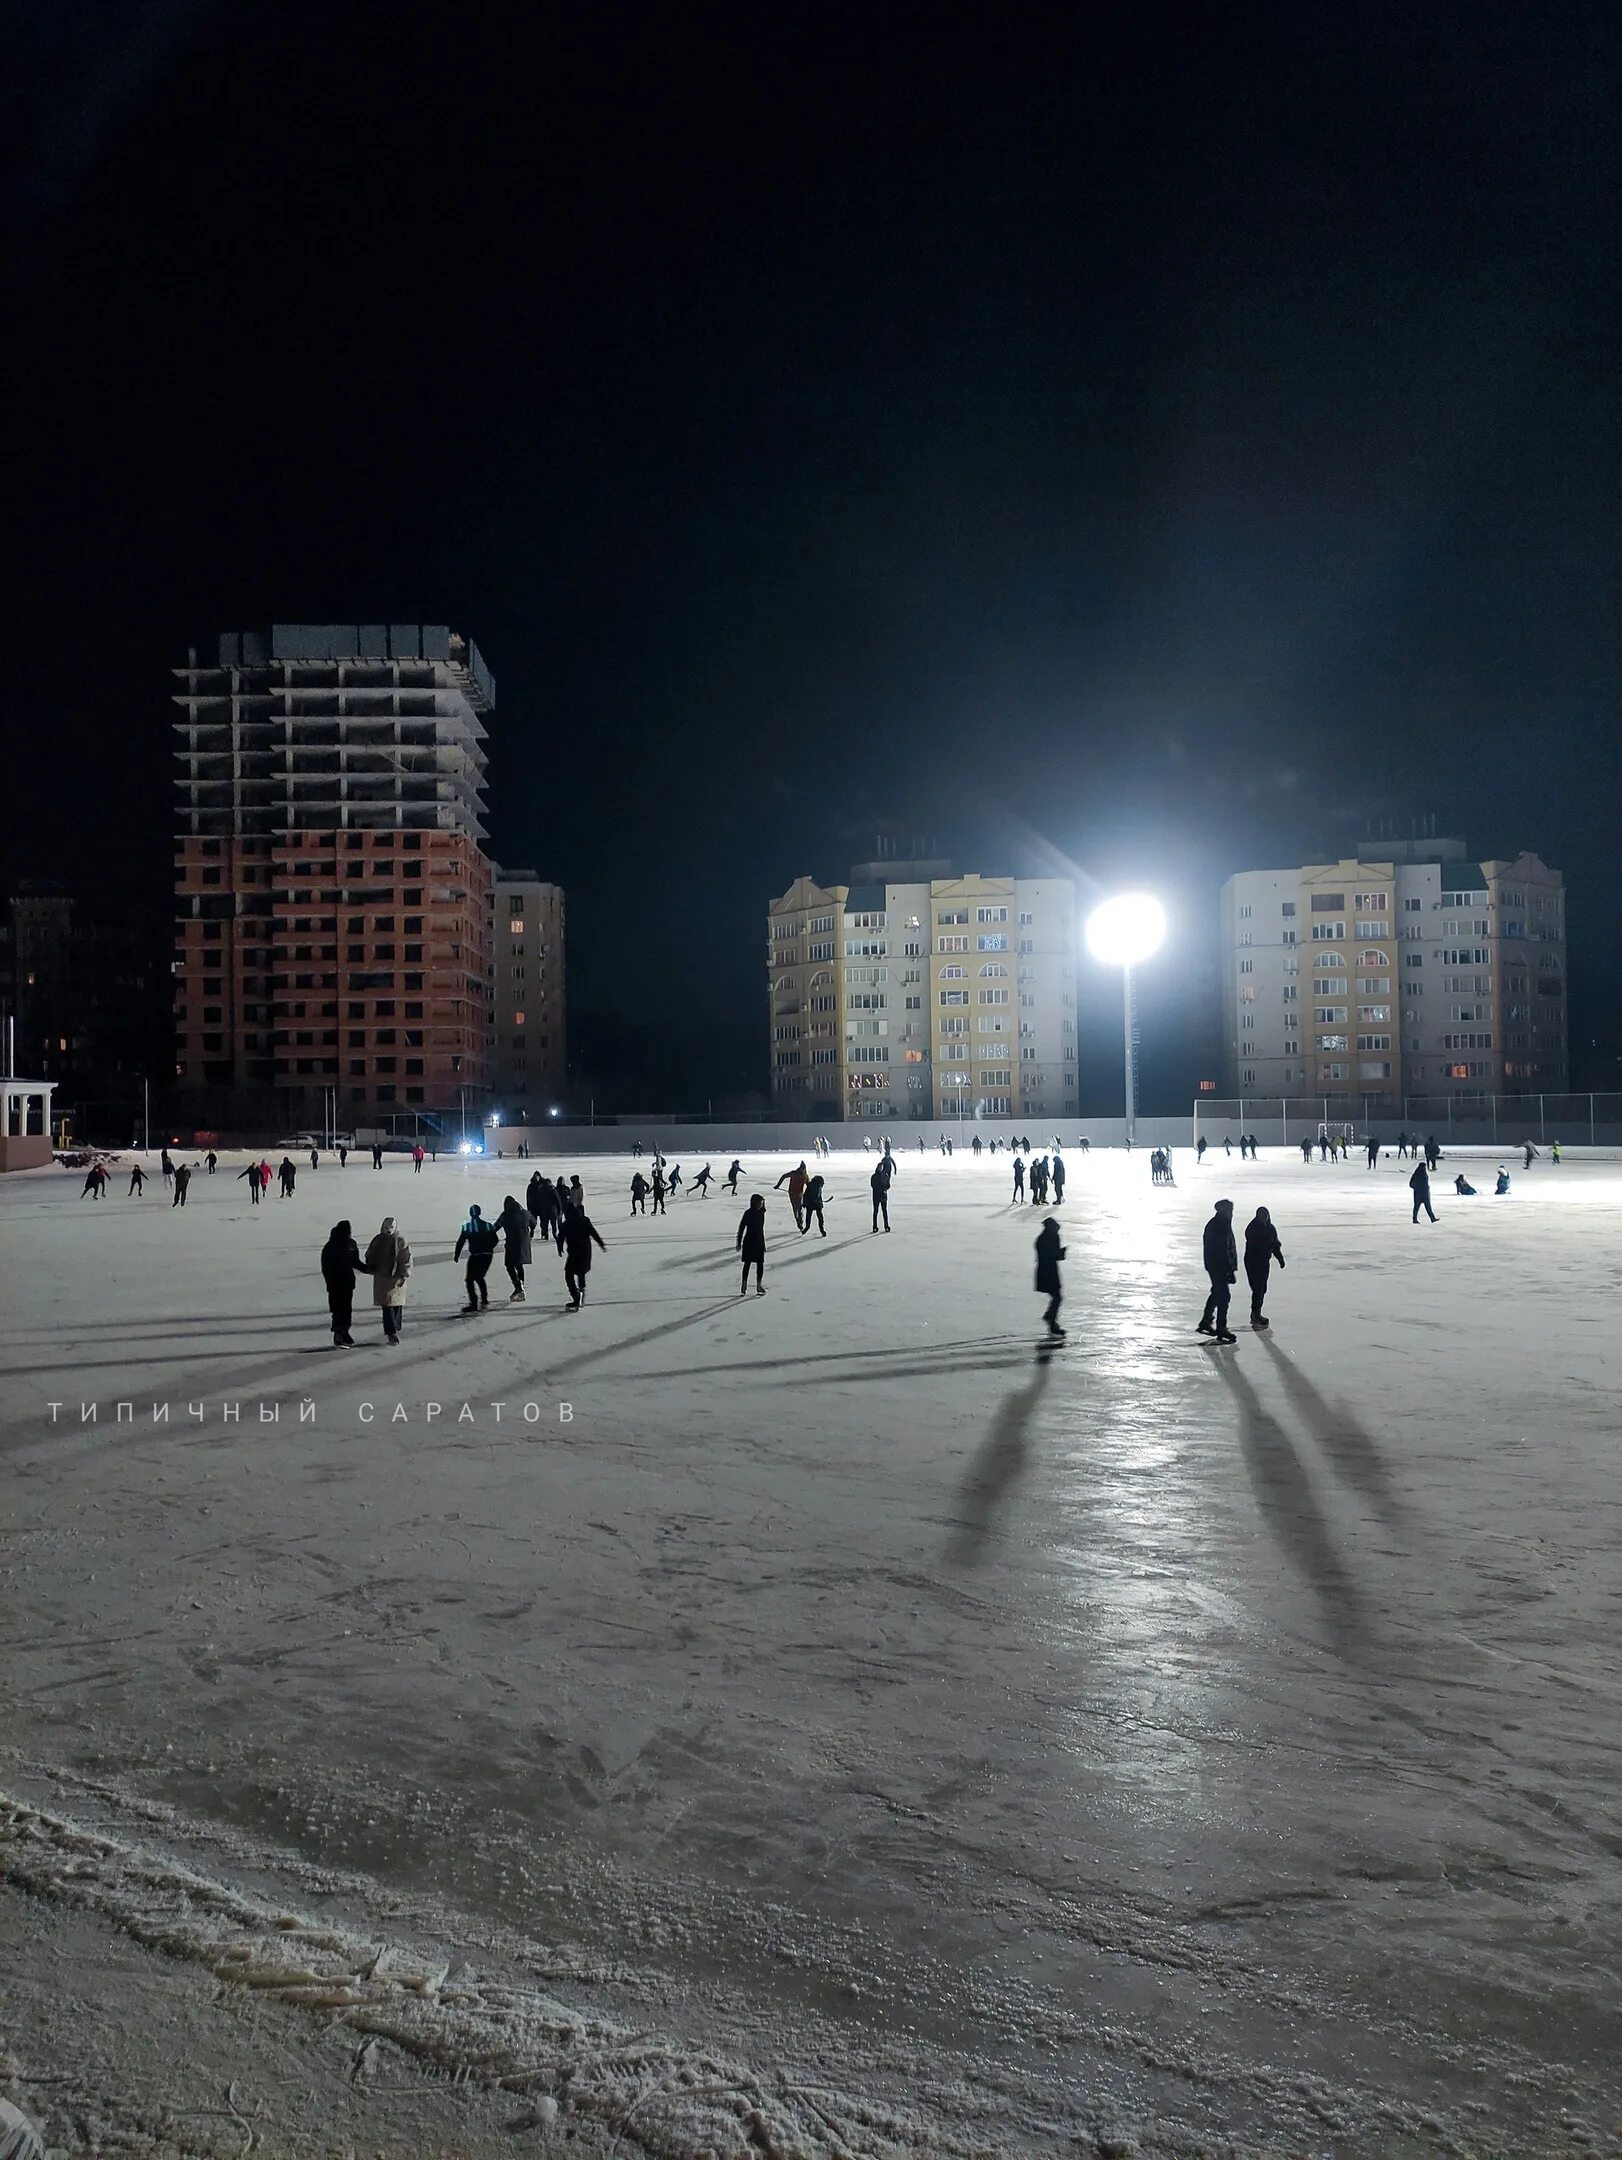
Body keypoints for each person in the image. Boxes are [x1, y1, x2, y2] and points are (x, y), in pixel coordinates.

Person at [364, 1216, 412, 1341]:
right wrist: (370, 1266)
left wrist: (405, 1272)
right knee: (387, 1305)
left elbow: (406, 1257)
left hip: (396, 1278)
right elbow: (370, 1254)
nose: (388, 1230)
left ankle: (395, 1326)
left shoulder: (400, 1240)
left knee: (396, 1304)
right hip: (382, 1277)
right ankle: (391, 1332)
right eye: (386, 1228)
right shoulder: (378, 1240)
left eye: (391, 1227)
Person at [1197, 1198, 1238, 1342]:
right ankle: (1221, 1328)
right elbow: (1222, 1250)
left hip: (1217, 1265)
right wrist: (1229, 1269)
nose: (1232, 1213)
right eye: (1230, 1210)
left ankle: (1206, 1321)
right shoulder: (1219, 1225)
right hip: (1218, 1266)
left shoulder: (1222, 1223)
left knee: (1217, 1293)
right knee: (1224, 1296)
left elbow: (1229, 1247)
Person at [321, 1219, 364, 1345]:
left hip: (342, 1283)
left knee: (341, 1309)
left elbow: (354, 1262)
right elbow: (355, 1262)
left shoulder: (331, 1245)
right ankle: (340, 1333)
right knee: (342, 1309)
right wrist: (367, 1269)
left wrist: (368, 1269)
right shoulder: (343, 1245)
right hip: (340, 1282)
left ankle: (343, 1332)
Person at [1242, 1205, 1284, 1328]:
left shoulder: (1271, 1228)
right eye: (1261, 1216)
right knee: (1258, 1288)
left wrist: (1280, 1258)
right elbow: (1255, 1245)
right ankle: (1255, 1314)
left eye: (1265, 1216)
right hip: (1252, 1262)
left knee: (1262, 1288)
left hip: (1264, 1262)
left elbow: (1275, 1245)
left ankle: (1256, 1313)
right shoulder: (1252, 1228)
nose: (1263, 1219)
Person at [454, 1203, 499, 1310]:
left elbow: (460, 1242)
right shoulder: (487, 1225)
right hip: (487, 1255)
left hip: (475, 1255)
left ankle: (474, 1303)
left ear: (470, 1213)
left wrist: (457, 1254)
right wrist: (489, 1248)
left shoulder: (467, 1227)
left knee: (470, 1279)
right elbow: (495, 1239)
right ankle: (484, 1299)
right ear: (480, 1213)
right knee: (479, 1277)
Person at [562, 1204, 607, 1308]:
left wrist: (559, 1247)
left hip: (574, 1253)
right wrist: (601, 1244)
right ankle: (581, 1293)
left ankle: (576, 1296)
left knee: (569, 1274)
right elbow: (593, 1233)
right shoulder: (584, 1221)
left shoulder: (567, 1223)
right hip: (584, 1252)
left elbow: (561, 1236)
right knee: (580, 1272)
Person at [1034, 1215, 1066, 1338]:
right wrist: (1062, 1253)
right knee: (1057, 1297)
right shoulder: (1053, 1237)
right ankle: (1051, 1321)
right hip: (1050, 1271)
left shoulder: (1041, 1238)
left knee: (1056, 1296)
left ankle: (1049, 1316)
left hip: (1043, 1270)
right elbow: (1055, 1256)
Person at [498, 1194, 532, 1300]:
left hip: (512, 1242)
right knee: (519, 1265)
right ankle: (520, 1286)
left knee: (509, 1265)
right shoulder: (525, 1213)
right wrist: (529, 1233)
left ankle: (518, 1287)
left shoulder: (505, 1215)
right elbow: (534, 1222)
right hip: (524, 1243)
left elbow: (495, 1227)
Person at [736, 1191, 768, 1294]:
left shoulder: (761, 1213)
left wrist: (763, 1243)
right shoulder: (748, 1213)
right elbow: (741, 1228)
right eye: (759, 1203)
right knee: (747, 1264)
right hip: (749, 1241)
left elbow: (761, 1230)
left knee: (760, 1264)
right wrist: (738, 1242)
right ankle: (744, 1284)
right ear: (754, 1203)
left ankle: (759, 1285)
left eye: (761, 1203)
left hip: (759, 1241)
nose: (760, 1205)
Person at [775, 1160, 809, 1229]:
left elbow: (809, 1186)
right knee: (795, 1209)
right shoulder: (794, 1173)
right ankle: (798, 1222)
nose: (803, 1171)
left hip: (799, 1195)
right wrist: (778, 1185)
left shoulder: (805, 1176)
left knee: (799, 1209)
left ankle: (800, 1221)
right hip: (792, 1194)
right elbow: (784, 1176)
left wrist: (809, 1194)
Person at [1410, 1157, 1436, 1224]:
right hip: (1418, 1194)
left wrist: (1427, 1187)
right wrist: (1417, 1188)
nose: (1425, 1169)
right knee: (1416, 1207)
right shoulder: (1416, 1175)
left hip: (1425, 1193)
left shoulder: (1424, 1174)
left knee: (1428, 1207)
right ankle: (1414, 1219)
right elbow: (1411, 1184)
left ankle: (1432, 1218)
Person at [800, 1170, 827, 1236]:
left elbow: (805, 1195)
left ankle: (807, 1228)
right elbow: (814, 1195)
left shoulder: (811, 1185)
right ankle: (822, 1230)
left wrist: (804, 1203)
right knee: (820, 1217)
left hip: (812, 1203)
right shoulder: (818, 1186)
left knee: (809, 1216)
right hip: (815, 1204)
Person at [870, 1160, 892, 1233]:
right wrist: (883, 1187)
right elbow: (873, 1185)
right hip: (877, 1195)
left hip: (882, 1195)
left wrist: (885, 1188)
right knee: (876, 1211)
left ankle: (886, 1226)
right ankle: (875, 1226)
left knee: (884, 1211)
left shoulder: (884, 1175)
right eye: (879, 1167)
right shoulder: (875, 1176)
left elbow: (888, 1185)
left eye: (881, 1167)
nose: (880, 1168)